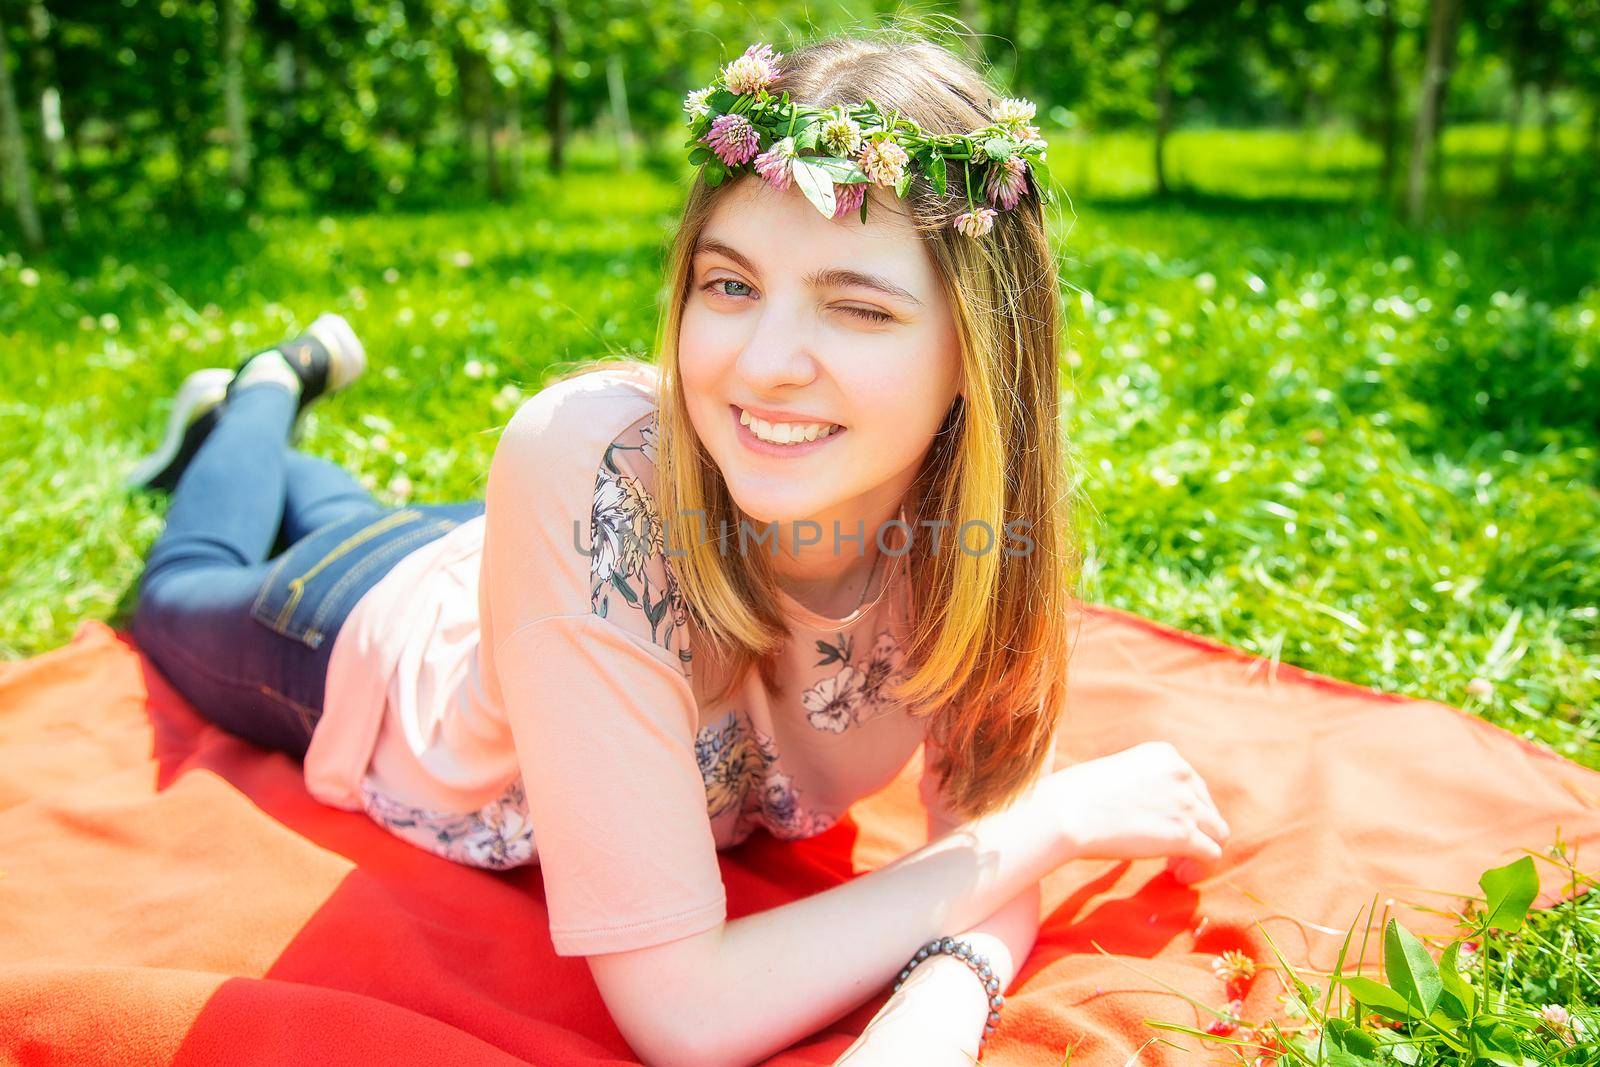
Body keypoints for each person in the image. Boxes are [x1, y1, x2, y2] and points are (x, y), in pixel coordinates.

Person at [127, 30, 1230, 1067]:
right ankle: (261, 393)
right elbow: (687, 1011)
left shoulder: (975, 531)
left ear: (976, 354)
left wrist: (941, 995)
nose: (763, 365)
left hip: (539, 574)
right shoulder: (587, 465)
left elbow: (984, 822)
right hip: (362, 633)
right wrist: (1063, 818)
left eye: (857, 308)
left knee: (359, 509)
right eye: (731, 285)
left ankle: (273, 431)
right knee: (180, 587)